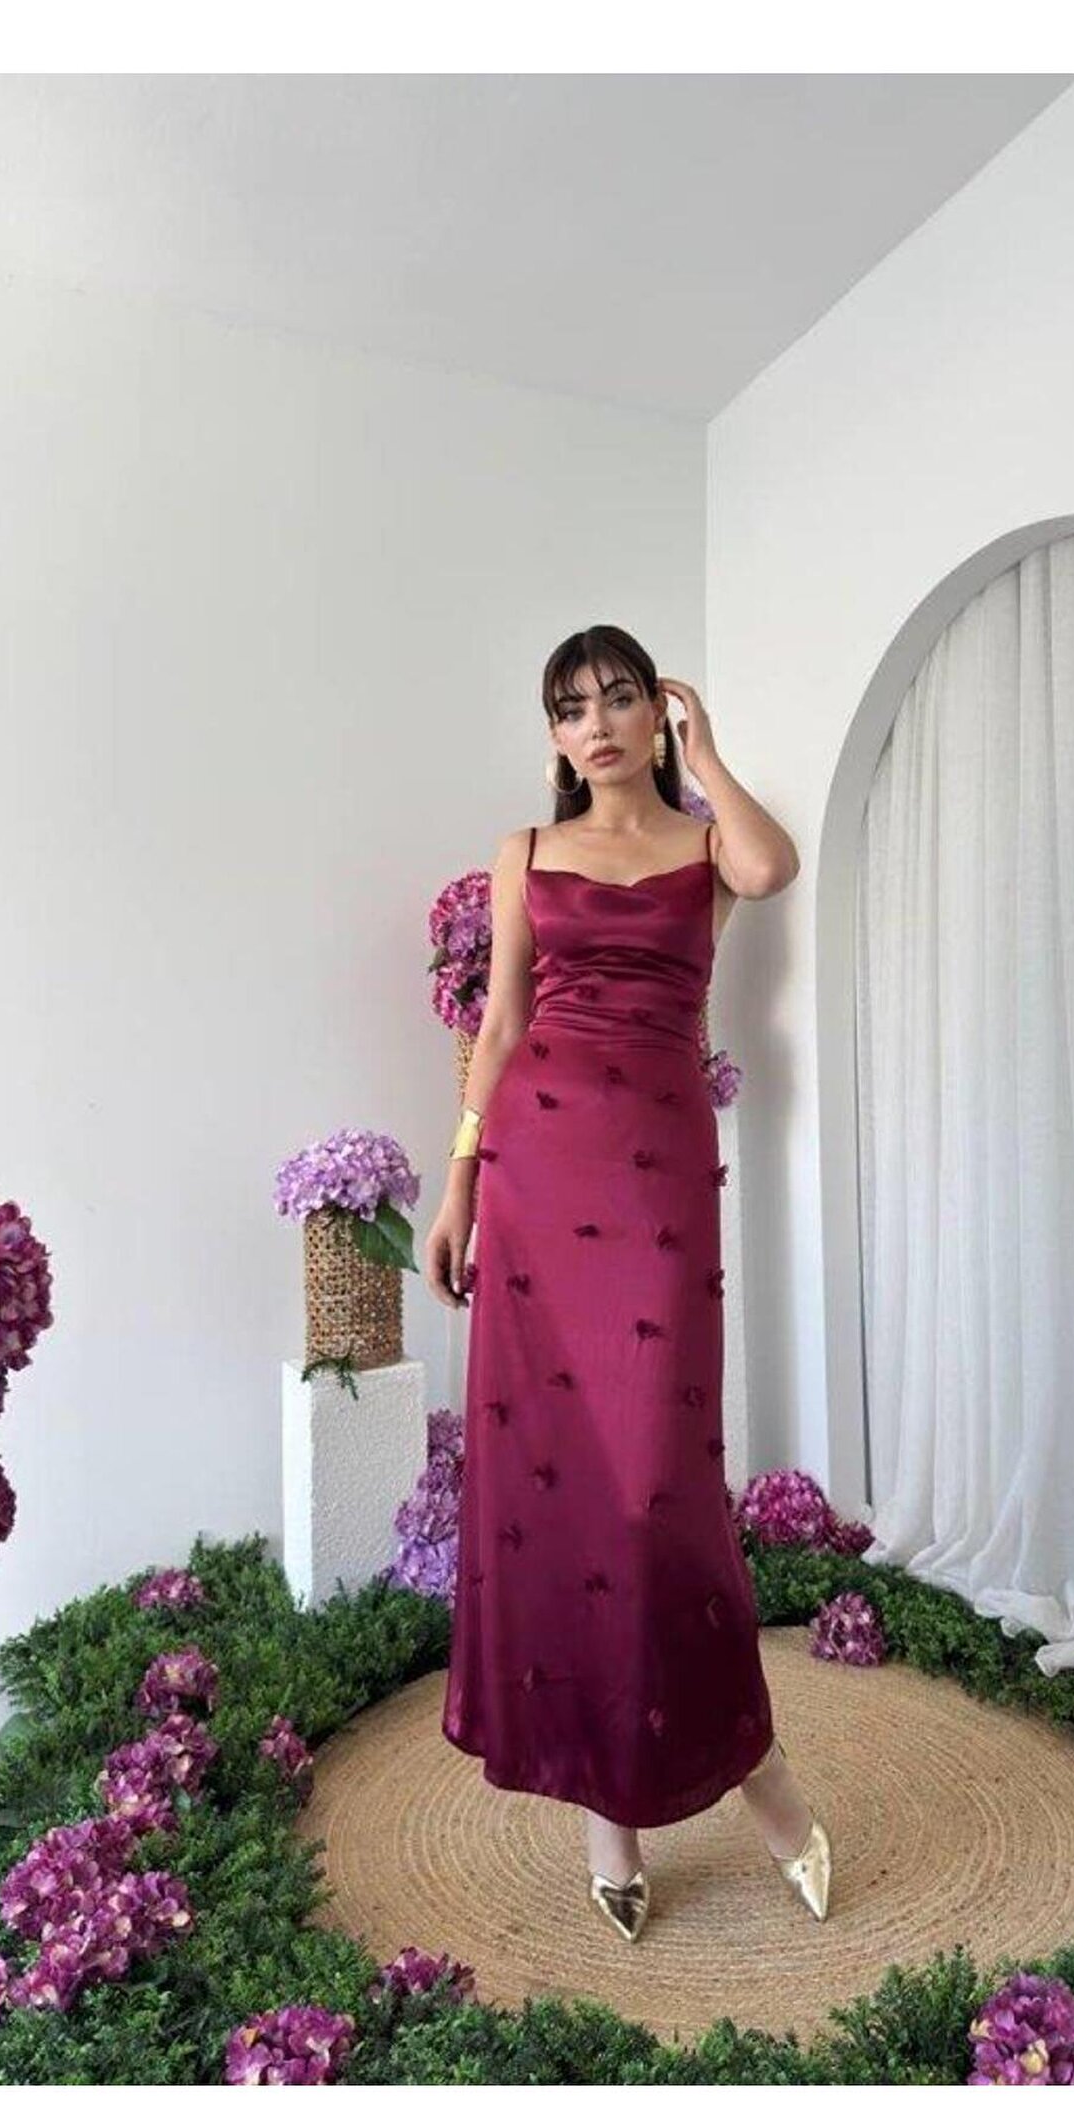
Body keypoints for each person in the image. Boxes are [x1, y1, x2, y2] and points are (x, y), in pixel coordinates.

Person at [423, 625, 831, 1942]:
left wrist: (708, 760)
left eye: (617, 700)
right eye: (569, 709)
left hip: (657, 1177)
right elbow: (500, 1024)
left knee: (659, 1488)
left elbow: (770, 867)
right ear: (553, 735)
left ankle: (762, 1778)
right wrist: (460, 1183)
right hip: (538, 1169)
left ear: (658, 713)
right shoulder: (525, 855)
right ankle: (612, 1817)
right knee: (569, 1485)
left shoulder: (707, 849)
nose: (593, 725)